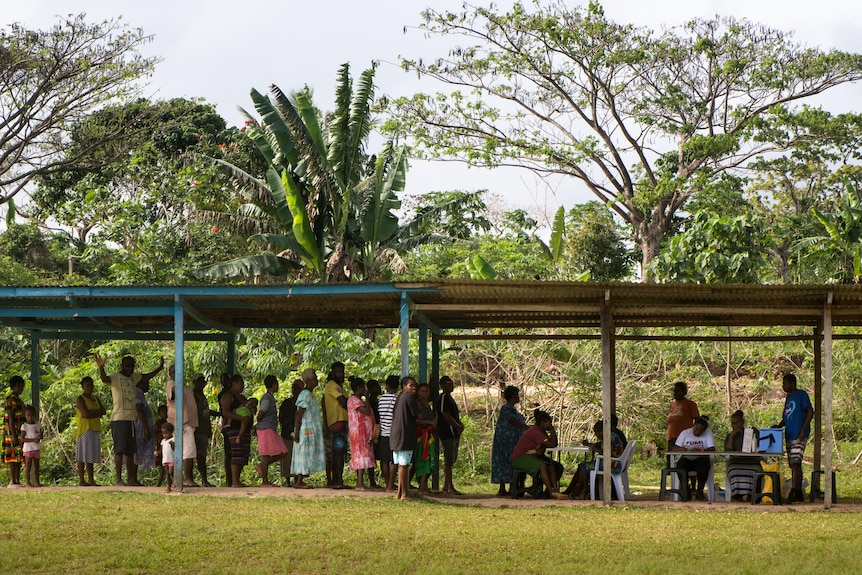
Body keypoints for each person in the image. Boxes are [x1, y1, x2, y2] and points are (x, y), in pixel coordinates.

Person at [94, 353, 164, 486]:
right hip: (119, 418)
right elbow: (104, 379)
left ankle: (131, 480)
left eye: (131, 366)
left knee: (131, 451)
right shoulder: (115, 376)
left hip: (132, 419)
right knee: (119, 450)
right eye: (127, 366)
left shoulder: (134, 377)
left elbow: (147, 376)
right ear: (122, 365)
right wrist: (101, 367)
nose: (129, 369)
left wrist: (160, 368)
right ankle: (119, 480)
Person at [774, 373, 814, 503]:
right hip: (789, 434)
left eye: (785, 383)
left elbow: (810, 411)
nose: (783, 386)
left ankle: (795, 491)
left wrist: (803, 430)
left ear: (792, 383)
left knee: (796, 462)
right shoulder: (788, 398)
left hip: (799, 434)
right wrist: (779, 426)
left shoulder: (801, 395)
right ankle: (798, 492)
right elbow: (787, 416)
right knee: (793, 463)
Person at [510, 409, 567, 500]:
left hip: (532, 456)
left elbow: (553, 444)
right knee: (543, 465)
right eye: (549, 423)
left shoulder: (542, 432)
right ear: (542, 423)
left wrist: (552, 431)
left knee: (551, 466)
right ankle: (550, 491)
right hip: (521, 457)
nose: (550, 425)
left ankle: (555, 490)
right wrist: (552, 429)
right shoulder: (535, 431)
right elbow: (551, 444)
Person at [564, 420, 624, 500]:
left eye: (596, 433)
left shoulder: (608, 437)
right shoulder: (612, 435)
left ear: (600, 431)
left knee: (583, 467)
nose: (596, 435)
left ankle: (578, 490)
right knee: (583, 466)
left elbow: (607, 453)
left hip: (612, 464)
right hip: (615, 462)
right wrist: (590, 444)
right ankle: (579, 491)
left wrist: (596, 449)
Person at [491, 385, 528, 496]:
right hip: (505, 442)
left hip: (512, 442)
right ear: (512, 397)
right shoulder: (506, 409)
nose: (518, 398)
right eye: (516, 396)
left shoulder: (513, 409)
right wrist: (526, 427)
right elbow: (513, 421)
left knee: (511, 462)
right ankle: (503, 487)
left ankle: (512, 486)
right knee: (505, 462)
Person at [291, 368, 325, 489]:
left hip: (310, 428)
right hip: (306, 429)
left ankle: (300, 479)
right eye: (315, 378)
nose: (317, 380)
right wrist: (296, 431)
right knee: (305, 453)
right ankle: (299, 481)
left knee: (307, 453)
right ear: (310, 380)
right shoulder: (305, 394)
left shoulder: (310, 395)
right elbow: (299, 413)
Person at [165, 365, 199, 487]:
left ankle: (182, 479)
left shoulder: (186, 387)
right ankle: (186, 479)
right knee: (188, 451)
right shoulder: (172, 384)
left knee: (188, 452)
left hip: (189, 423)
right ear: (170, 373)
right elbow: (174, 393)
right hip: (180, 424)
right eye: (174, 372)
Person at [219, 374, 253, 488]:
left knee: (243, 454)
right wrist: (241, 418)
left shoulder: (242, 398)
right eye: (240, 384)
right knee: (236, 453)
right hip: (233, 428)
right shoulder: (227, 396)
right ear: (233, 383)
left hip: (245, 428)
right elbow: (225, 412)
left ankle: (237, 479)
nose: (242, 386)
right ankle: (233, 481)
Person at [389, 376, 420, 501]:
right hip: (404, 435)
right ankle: (405, 494)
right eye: (410, 385)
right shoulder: (409, 398)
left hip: (396, 435)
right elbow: (416, 415)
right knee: (404, 465)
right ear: (404, 386)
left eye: (414, 386)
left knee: (400, 464)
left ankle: (400, 492)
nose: (413, 388)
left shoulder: (399, 398)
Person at [672, 415, 715, 501]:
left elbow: (712, 449)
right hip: (687, 458)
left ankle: (699, 491)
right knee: (680, 466)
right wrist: (684, 449)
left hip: (700, 458)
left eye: (701, 431)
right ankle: (686, 491)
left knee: (703, 466)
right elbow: (675, 448)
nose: (697, 432)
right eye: (696, 429)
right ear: (693, 426)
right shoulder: (685, 433)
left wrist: (701, 450)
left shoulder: (708, 433)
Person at [256, 375, 288, 487]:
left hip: (270, 428)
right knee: (265, 455)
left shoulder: (270, 398)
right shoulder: (266, 398)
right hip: (266, 428)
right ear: (273, 385)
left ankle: (262, 466)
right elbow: (260, 414)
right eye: (276, 384)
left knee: (283, 451)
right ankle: (265, 481)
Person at [75, 376, 106, 486]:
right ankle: (82, 480)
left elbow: (103, 411)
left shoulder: (96, 398)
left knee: (90, 456)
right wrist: (96, 413)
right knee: (82, 455)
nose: (89, 388)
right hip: (85, 429)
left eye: (91, 385)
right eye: (87, 386)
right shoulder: (80, 399)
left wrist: (93, 412)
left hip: (95, 428)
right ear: (83, 387)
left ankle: (91, 480)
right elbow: (85, 414)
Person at [724, 410, 761, 502]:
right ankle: (737, 495)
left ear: (743, 422)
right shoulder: (730, 436)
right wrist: (732, 437)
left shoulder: (753, 431)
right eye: (733, 423)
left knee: (756, 469)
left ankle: (751, 495)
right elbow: (728, 451)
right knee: (733, 470)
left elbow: (761, 446)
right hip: (736, 461)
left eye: (738, 422)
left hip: (752, 461)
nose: (736, 425)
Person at [322, 361, 349, 489]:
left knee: (340, 453)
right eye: (338, 372)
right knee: (337, 453)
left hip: (342, 424)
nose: (341, 374)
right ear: (332, 372)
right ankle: (337, 481)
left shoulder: (341, 387)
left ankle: (338, 480)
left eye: (342, 372)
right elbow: (344, 402)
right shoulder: (332, 385)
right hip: (336, 423)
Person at [437, 375, 465, 495]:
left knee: (452, 458)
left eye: (452, 383)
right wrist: (456, 426)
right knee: (448, 460)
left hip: (454, 433)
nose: (451, 385)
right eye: (448, 383)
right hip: (447, 432)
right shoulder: (443, 397)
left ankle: (446, 485)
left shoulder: (450, 398)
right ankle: (450, 486)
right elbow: (445, 414)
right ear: (442, 385)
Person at [347, 377, 375, 490]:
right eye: (364, 387)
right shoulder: (353, 400)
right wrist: (367, 398)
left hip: (363, 432)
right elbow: (367, 411)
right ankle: (359, 483)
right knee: (360, 456)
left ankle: (360, 482)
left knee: (363, 456)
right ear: (359, 388)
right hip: (358, 433)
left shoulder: (359, 401)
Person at [412, 382, 437, 493]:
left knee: (428, 458)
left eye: (427, 391)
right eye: (422, 391)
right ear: (418, 392)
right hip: (421, 435)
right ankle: (422, 485)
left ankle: (423, 484)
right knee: (423, 459)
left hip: (429, 434)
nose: (425, 393)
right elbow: (415, 420)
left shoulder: (427, 403)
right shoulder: (418, 404)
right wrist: (429, 422)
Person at [192, 374, 215, 487]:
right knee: (199, 455)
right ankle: (203, 480)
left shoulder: (202, 395)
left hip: (204, 429)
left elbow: (205, 411)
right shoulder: (193, 395)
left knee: (202, 455)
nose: (201, 383)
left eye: (202, 381)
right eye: (199, 381)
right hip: (198, 429)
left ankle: (204, 480)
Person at [278, 379, 303, 486]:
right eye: (293, 388)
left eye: (297, 388)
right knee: (287, 457)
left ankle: (298, 479)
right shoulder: (286, 403)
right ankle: (288, 480)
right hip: (287, 433)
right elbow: (281, 417)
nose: (294, 390)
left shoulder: (303, 403)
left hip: (300, 433)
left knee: (299, 457)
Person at [3, 375, 26, 488]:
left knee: (18, 456)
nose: (20, 388)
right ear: (13, 387)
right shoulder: (10, 400)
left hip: (19, 432)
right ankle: (12, 480)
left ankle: (17, 480)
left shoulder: (20, 401)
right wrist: (13, 435)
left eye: (22, 386)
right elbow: (11, 418)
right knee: (12, 456)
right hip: (12, 432)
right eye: (18, 386)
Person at [377, 375, 399, 492]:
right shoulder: (398, 399)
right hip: (394, 434)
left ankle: (387, 483)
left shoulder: (381, 399)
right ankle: (391, 484)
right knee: (394, 460)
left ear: (387, 386)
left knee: (384, 460)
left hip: (383, 433)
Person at [667, 381, 699, 452]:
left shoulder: (690, 404)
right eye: (674, 391)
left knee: (682, 459)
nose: (675, 393)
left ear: (684, 392)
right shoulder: (673, 405)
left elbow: (698, 421)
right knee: (671, 460)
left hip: (684, 438)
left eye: (678, 391)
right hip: (672, 438)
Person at [133, 378, 156, 477]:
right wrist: (146, 427)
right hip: (140, 427)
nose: (148, 386)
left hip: (142, 426)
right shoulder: (138, 392)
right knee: (137, 451)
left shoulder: (140, 393)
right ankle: (132, 478)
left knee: (138, 451)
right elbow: (139, 409)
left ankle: (134, 478)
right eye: (146, 383)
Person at [216, 373, 233, 486]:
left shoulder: (233, 394)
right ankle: (229, 480)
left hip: (230, 424)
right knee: (229, 453)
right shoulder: (224, 394)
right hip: (227, 425)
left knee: (234, 454)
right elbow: (225, 411)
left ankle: (232, 479)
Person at [365, 378, 382, 489]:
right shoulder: (369, 402)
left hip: (379, 428)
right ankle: (371, 481)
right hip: (372, 429)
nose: (379, 388)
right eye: (376, 386)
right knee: (372, 454)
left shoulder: (378, 401)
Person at [20, 405, 42, 487]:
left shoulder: (38, 424)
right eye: (28, 415)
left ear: (35, 415)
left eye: (32, 415)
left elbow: (40, 434)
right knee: (28, 465)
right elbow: (22, 439)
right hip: (28, 448)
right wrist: (33, 440)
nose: (30, 417)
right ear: (25, 416)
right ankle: (28, 482)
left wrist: (39, 437)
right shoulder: (24, 426)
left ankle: (37, 482)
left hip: (36, 448)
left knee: (36, 465)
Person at [154, 405, 168, 486]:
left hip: (167, 447)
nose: (165, 414)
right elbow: (154, 434)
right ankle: (160, 483)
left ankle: (161, 483)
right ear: (159, 413)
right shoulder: (158, 423)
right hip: (160, 446)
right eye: (163, 412)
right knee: (162, 465)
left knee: (166, 464)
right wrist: (162, 437)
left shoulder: (168, 422)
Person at [159, 422, 175, 493]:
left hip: (172, 459)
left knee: (171, 472)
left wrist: (172, 445)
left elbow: (175, 449)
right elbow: (162, 449)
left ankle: (176, 482)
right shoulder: (163, 441)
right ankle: (168, 486)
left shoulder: (173, 439)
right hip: (165, 459)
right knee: (167, 474)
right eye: (163, 433)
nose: (164, 435)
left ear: (171, 432)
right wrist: (158, 452)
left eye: (166, 433)